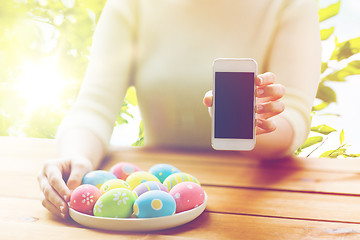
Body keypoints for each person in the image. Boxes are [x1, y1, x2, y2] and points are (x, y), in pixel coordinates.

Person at [37, 0, 321, 219]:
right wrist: (77, 157)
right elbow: (94, 105)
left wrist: (246, 127)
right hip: (155, 210)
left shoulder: (289, 4)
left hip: (259, 204)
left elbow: (293, 116)